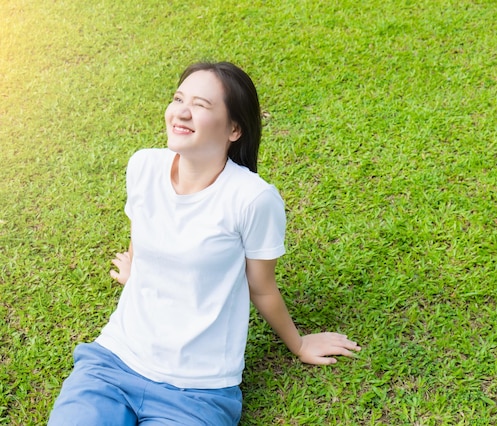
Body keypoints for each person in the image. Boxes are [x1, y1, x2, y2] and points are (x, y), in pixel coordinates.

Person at [48, 61, 361, 426]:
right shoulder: (143, 166)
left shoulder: (252, 199)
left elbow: (261, 287)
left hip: (196, 392)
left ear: (233, 128)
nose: (181, 111)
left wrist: (300, 344)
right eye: (179, 98)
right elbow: (143, 225)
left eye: (200, 104)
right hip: (113, 363)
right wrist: (138, 269)